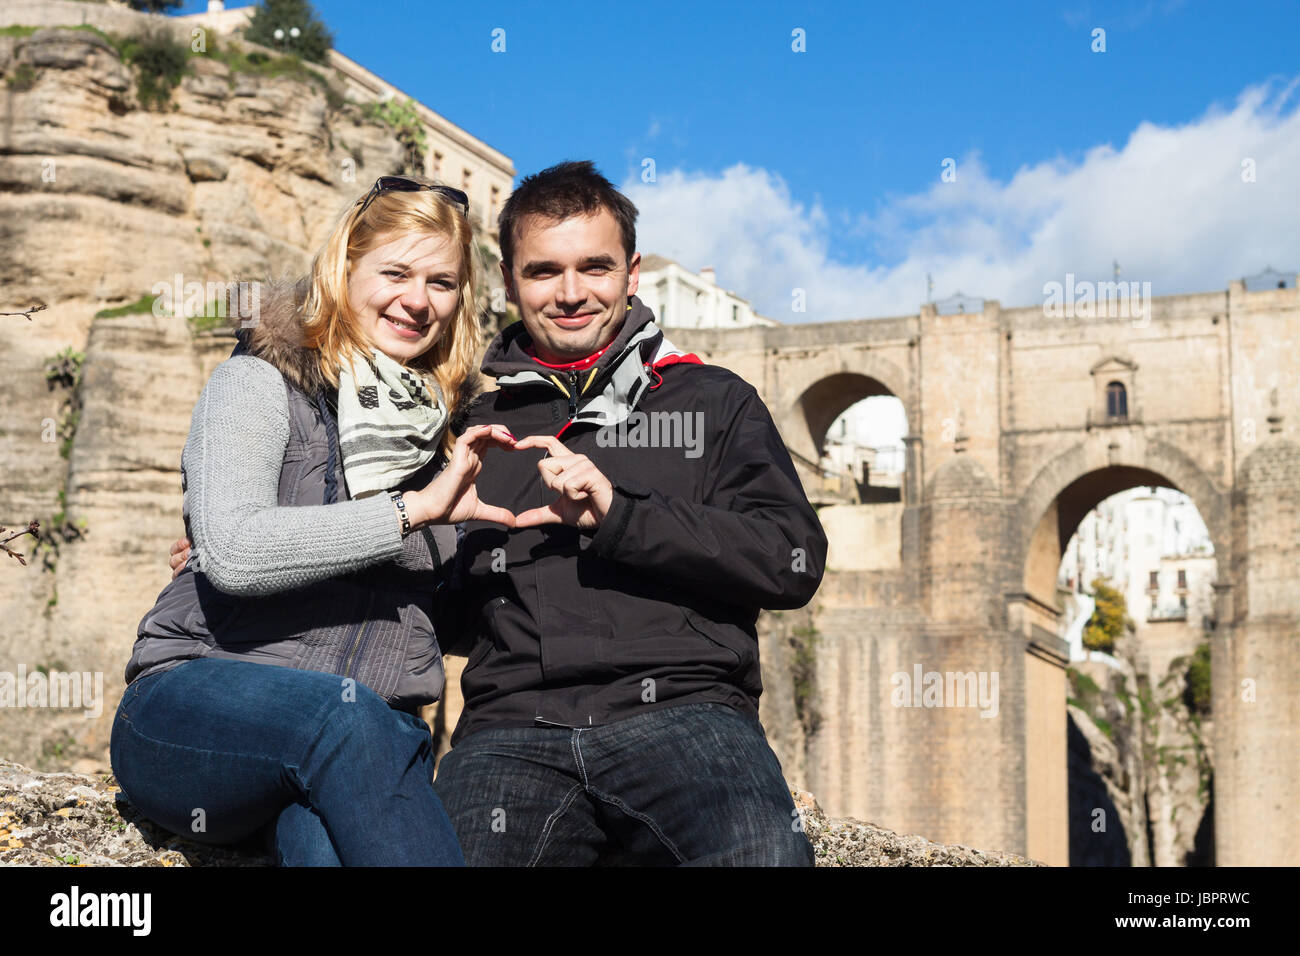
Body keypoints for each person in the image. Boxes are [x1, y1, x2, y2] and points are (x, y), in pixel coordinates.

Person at [431, 160, 828, 865]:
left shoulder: (712, 400)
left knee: (764, 855)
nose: (572, 293)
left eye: (596, 267)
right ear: (507, 280)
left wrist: (620, 516)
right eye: (545, 271)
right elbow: (443, 621)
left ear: (633, 272)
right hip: (510, 730)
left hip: (688, 717)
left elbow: (790, 559)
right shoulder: (470, 423)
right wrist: (435, 534)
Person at [116, 175, 516, 866]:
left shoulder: (450, 441)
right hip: (194, 711)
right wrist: (411, 512)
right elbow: (237, 551)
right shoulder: (259, 381)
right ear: (344, 267)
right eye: (395, 271)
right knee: (349, 712)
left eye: (441, 283)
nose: (417, 300)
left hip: (352, 753)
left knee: (329, 833)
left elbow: (435, 627)